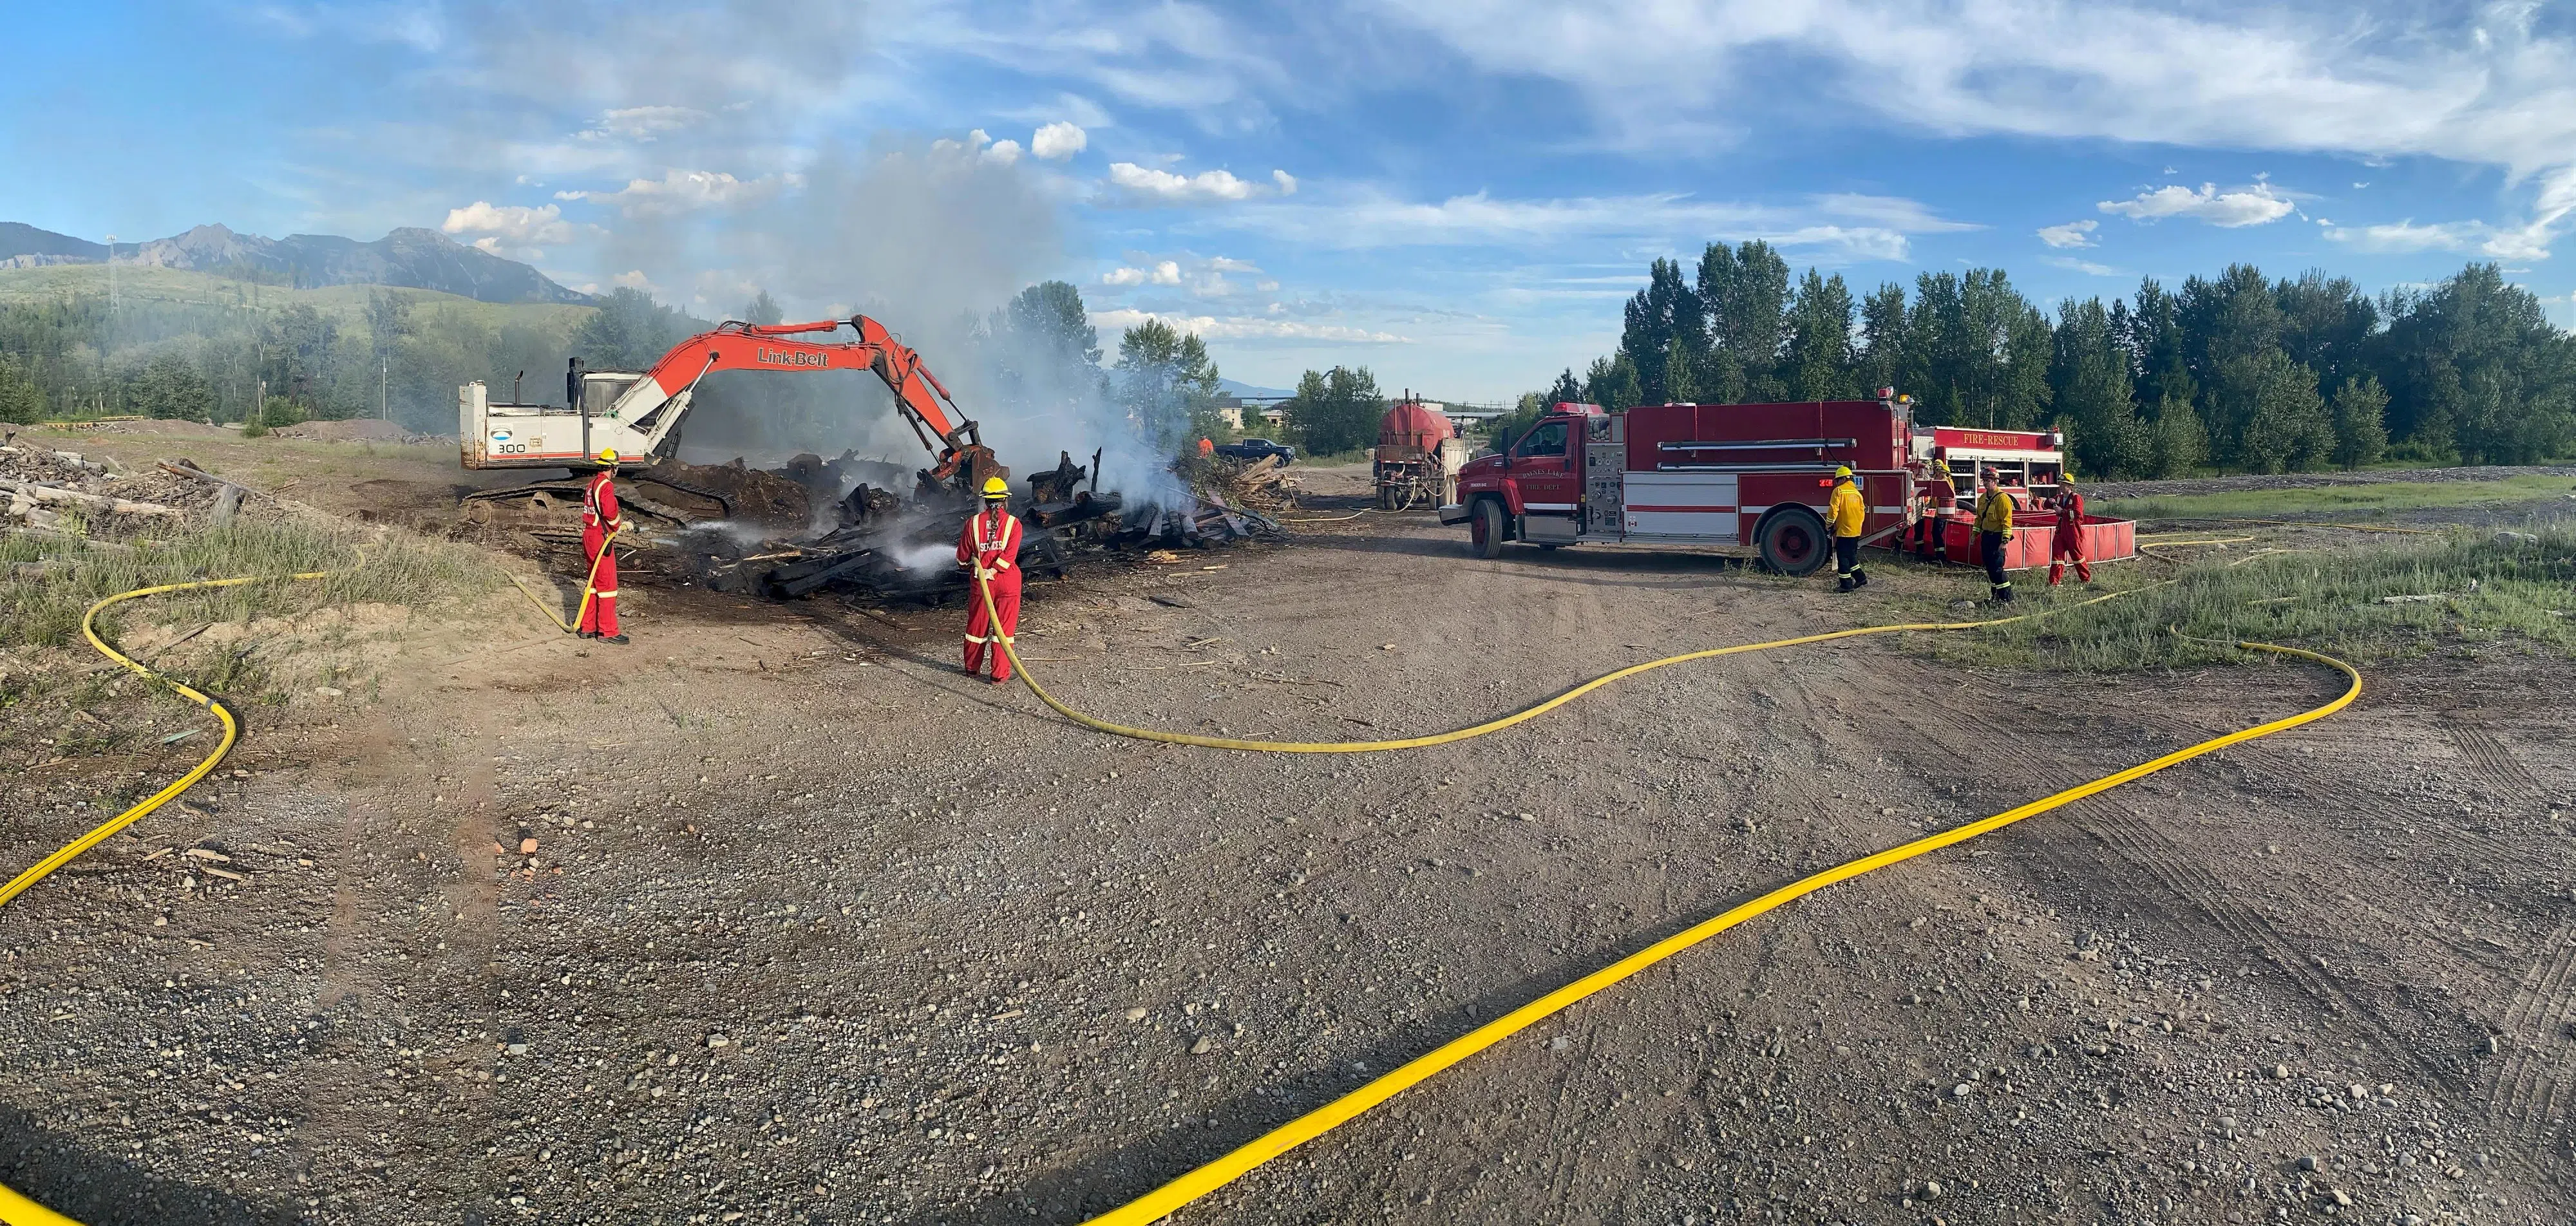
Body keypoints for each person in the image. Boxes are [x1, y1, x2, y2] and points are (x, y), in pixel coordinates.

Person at [956, 476, 1024, 684]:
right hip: (1008, 583)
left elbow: (961, 559)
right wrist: (994, 570)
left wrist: (980, 568)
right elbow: (1009, 557)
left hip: (982, 584)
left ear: (984, 501)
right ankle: (999, 675)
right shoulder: (1014, 524)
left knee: (976, 627)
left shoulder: (973, 523)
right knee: (1004, 631)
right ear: (1005, 501)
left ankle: (972, 670)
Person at [579, 449, 629, 643]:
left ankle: (588, 626)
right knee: (608, 585)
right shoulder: (606, 485)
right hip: (601, 538)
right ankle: (608, 631)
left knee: (593, 583)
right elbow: (609, 512)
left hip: (589, 535)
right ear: (613, 468)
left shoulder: (592, 484)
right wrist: (619, 525)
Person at [1973, 466, 2016, 603]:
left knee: (1997, 569)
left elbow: (2007, 521)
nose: (1985, 482)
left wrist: (2004, 541)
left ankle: (2006, 599)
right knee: (1990, 568)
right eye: (1984, 480)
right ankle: (1995, 597)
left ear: (1995, 481)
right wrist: (1974, 534)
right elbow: (1979, 518)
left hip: (1997, 538)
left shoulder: (2003, 499)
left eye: (1988, 480)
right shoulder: (1983, 498)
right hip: (1986, 537)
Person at [1826, 464, 1868, 592]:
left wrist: (1829, 525)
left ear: (1843, 479)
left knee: (1843, 557)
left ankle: (1846, 585)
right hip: (1856, 530)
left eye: (1837, 480)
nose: (1836, 483)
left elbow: (1834, 510)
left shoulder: (1839, 491)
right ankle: (1860, 578)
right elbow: (1862, 512)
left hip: (1845, 531)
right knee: (1851, 556)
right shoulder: (1857, 493)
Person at [2049, 474, 2094, 587]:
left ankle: (2086, 579)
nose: (2061, 486)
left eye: (2063, 484)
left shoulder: (2076, 498)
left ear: (2070, 486)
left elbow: (2078, 515)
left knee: (2078, 557)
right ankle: (2053, 583)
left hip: (2073, 532)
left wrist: (2062, 511)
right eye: (2060, 484)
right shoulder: (2059, 498)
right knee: (2057, 557)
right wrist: (2050, 501)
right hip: (2061, 531)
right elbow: (2046, 505)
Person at [1914, 446, 1956, 559]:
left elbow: (1933, 492)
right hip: (1939, 512)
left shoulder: (1944, 483)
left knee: (1936, 534)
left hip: (1942, 513)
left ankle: (1940, 556)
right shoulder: (1946, 481)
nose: (1937, 474)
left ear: (1945, 473)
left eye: (1939, 472)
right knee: (1936, 534)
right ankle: (1939, 555)